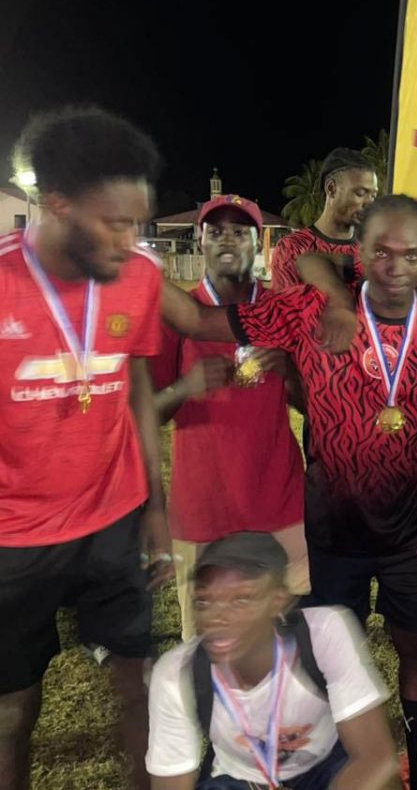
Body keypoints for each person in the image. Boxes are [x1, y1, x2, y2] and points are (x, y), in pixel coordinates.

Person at [226, 195, 417, 789]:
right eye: (382, 252)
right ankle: (332, 773)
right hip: (332, 535)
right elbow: (204, 320)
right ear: (359, 254)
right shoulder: (314, 311)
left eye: (412, 255)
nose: (396, 265)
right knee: (322, 666)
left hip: (416, 537)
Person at [0, 105, 172, 790]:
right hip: (14, 538)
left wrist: (155, 509)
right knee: (12, 710)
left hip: (113, 518)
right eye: (115, 222)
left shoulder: (140, 277)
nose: (132, 241)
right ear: (58, 205)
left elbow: (134, 383)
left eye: (139, 223)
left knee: (139, 686)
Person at [151, 194, 310, 640]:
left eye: (240, 232)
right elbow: (146, 412)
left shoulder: (283, 310)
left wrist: (290, 370)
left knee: (290, 637)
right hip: (203, 510)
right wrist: (186, 387)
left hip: (279, 504)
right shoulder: (175, 316)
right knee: (208, 647)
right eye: (215, 230)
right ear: (199, 241)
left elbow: (314, 407)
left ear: (258, 243)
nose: (227, 239)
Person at [146, 532, 400, 789]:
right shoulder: (177, 674)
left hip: (322, 764)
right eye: (204, 601)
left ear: (278, 601)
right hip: (242, 777)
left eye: (240, 600)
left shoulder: (322, 634)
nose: (216, 617)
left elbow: (376, 758)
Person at [269, 148, 378, 288]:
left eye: (373, 196)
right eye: (361, 193)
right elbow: (286, 307)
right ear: (331, 188)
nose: (370, 203)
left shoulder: (372, 251)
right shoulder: (293, 249)